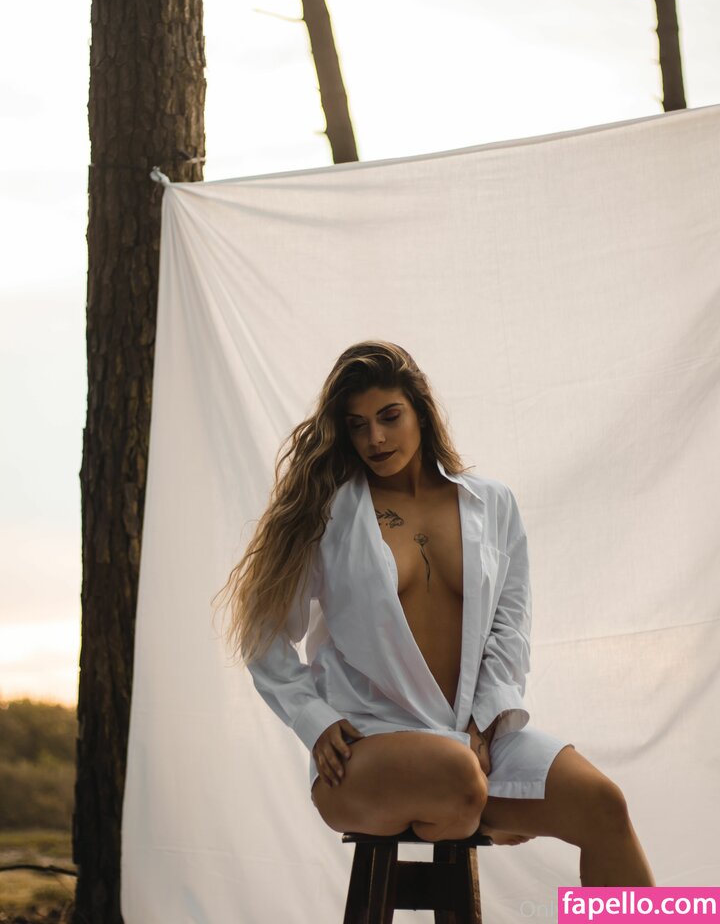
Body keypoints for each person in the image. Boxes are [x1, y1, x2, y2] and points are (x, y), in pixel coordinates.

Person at [214, 340, 655, 884]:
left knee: (604, 805)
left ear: (420, 411)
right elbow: (261, 630)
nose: (375, 438)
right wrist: (314, 718)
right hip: (367, 747)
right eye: (357, 425)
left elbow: (509, 628)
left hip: (474, 740)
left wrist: (483, 720)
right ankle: (476, 809)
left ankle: (472, 810)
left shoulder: (493, 504)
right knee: (457, 773)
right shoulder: (328, 514)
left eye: (389, 416)